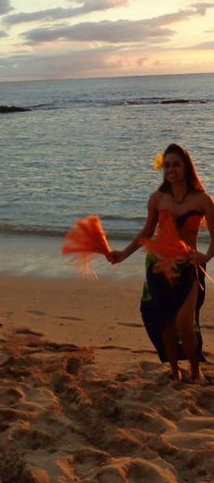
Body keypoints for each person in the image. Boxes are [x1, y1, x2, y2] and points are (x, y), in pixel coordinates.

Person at [107, 143, 214, 383]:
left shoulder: (203, 200)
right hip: (157, 267)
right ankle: (175, 371)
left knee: (185, 323)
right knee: (165, 322)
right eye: (167, 165)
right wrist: (122, 254)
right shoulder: (157, 199)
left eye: (176, 164)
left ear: (186, 166)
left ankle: (196, 371)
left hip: (187, 268)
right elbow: (146, 233)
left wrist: (205, 257)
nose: (171, 169)